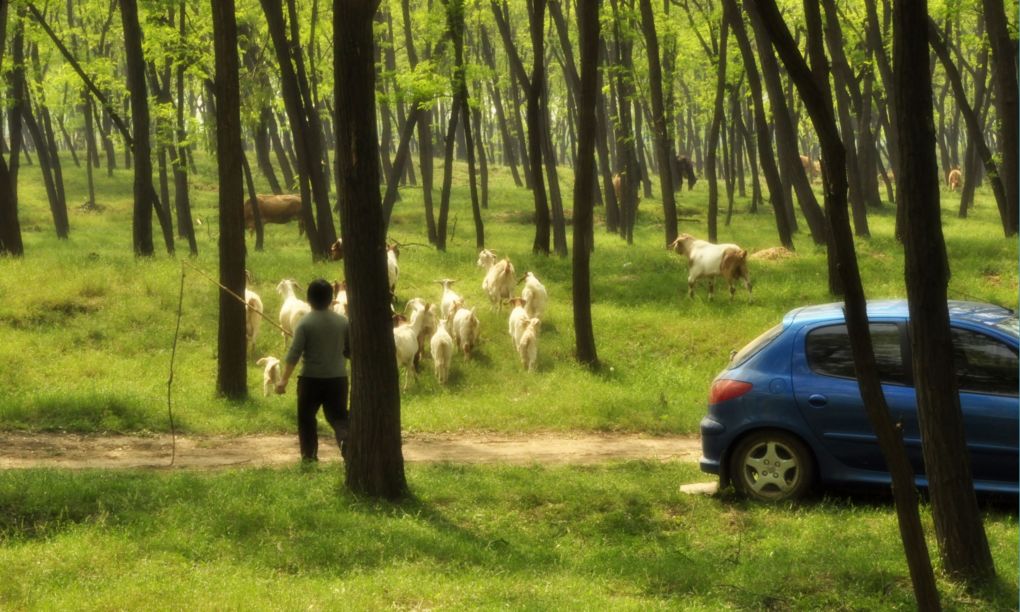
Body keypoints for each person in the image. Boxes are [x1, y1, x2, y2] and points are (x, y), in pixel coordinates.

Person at [276, 278, 350, 463]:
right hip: (338, 379)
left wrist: (283, 380)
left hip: (310, 380)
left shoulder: (304, 323)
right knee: (339, 417)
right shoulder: (343, 322)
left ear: (309, 299)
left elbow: (294, 354)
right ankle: (346, 442)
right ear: (330, 298)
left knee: (307, 419)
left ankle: (309, 457)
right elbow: (350, 350)